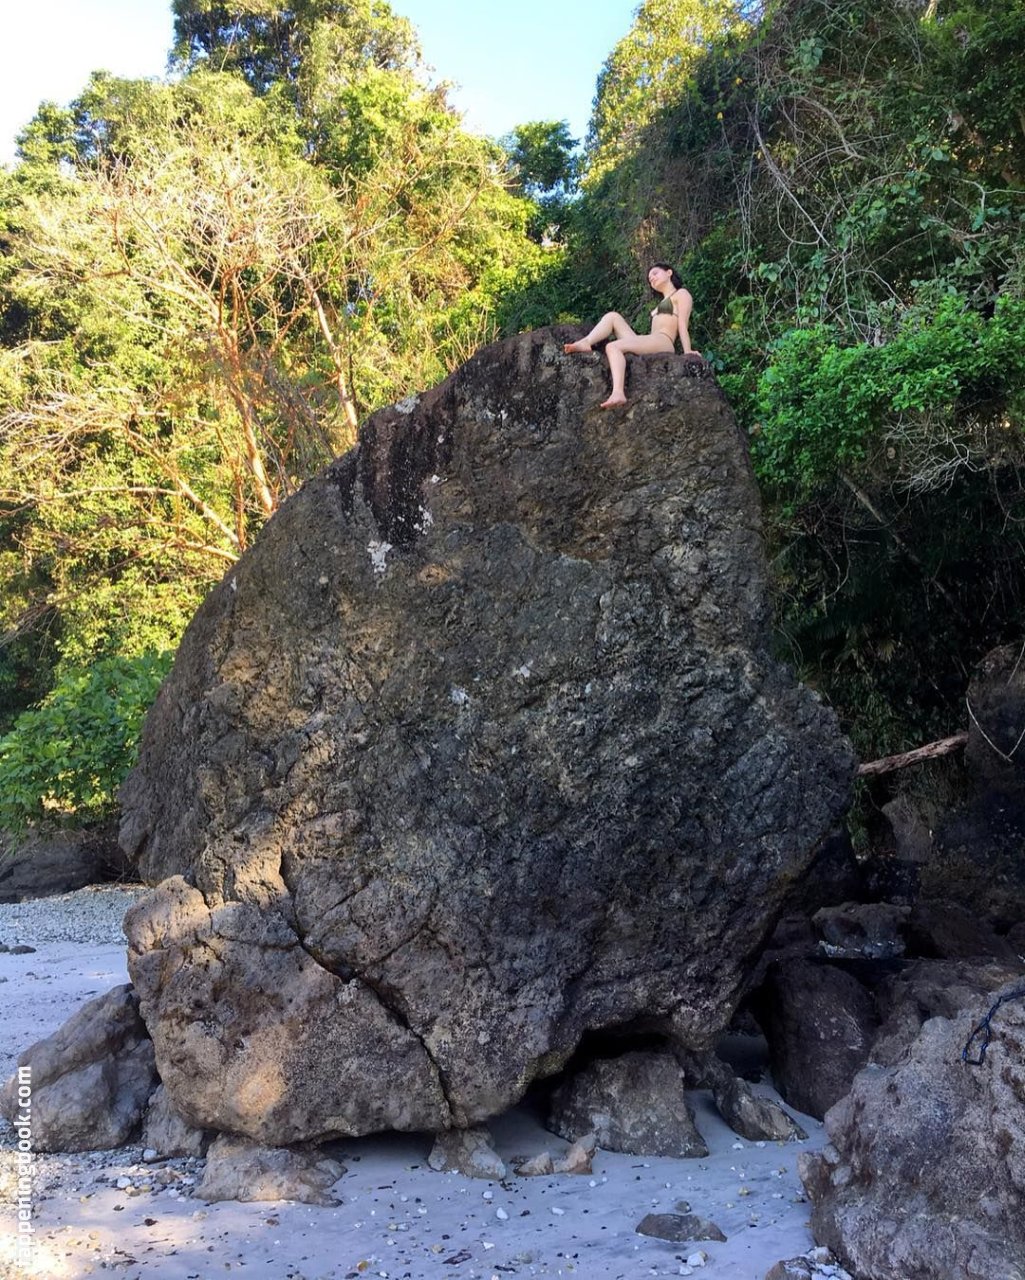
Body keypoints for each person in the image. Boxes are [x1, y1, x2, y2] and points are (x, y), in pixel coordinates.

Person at [564, 263, 694, 408]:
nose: (652, 279)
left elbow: (682, 324)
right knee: (613, 316)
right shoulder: (661, 303)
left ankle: (618, 393)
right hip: (651, 340)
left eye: (655, 273)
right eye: (649, 279)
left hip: (664, 340)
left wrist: (687, 351)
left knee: (613, 347)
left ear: (669, 272)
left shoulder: (681, 294)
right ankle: (586, 341)